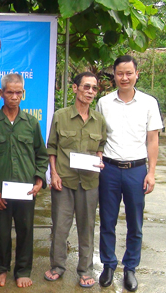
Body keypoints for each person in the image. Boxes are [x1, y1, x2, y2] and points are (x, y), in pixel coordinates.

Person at [96, 55, 163, 292]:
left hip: (136, 170)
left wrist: (151, 172)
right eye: (119, 73)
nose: (124, 77)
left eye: (128, 73)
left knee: (135, 222)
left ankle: (131, 267)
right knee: (107, 220)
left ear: (136, 74)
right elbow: (99, 135)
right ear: (113, 75)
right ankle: (108, 265)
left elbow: (153, 139)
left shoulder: (148, 103)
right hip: (110, 170)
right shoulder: (103, 102)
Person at [0, 73, 48, 288]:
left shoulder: (31, 123)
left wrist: (38, 181)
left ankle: (23, 270)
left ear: (23, 94)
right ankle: (1, 269)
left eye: (18, 92)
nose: (14, 96)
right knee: (0, 231)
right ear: (2, 93)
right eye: (10, 92)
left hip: (26, 190)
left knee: (26, 230)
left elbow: (41, 155)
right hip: (0, 190)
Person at [44, 72, 106, 288]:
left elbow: (101, 145)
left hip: (89, 182)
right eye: (86, 87)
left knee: (86, 228)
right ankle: (57, 266)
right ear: (75, 88)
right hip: (65, 180)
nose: (90, 91)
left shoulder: (99, 120)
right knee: (60, 227)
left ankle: (85, 270)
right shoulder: (60, 116)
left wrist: (99, 157)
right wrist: (53, 173)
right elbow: (51, 146)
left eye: (94, 88)